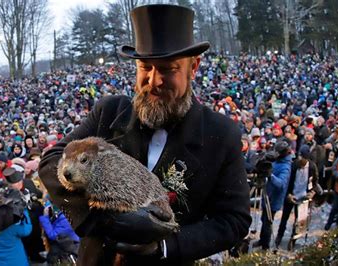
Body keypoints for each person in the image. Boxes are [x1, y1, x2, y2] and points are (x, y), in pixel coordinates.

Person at [38, 4, 251, 264]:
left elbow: (234, 220)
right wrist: (103, 219)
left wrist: (164, 246)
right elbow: (51, 163)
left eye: (168, 69)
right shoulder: (109, 112)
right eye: (145, 67)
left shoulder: (220, 134)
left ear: (193, 67)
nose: (153, 80)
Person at [275, 145, 318, 247]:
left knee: (299, 221)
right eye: (300, 157)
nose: (301, 160)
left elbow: (315, 182)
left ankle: (293, 239)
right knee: (284, 218)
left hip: (303, 196)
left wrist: (311, 192)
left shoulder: (312, 167)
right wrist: (288, 194)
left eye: (303, 158)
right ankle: (279, 236)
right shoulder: (293, 165)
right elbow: (287, 182)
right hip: (291, 195)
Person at [257, 141, 293, 250]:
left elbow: (281, 184)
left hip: (273, 199)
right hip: (267, 193)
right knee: (263, 220)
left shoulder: (286, 167)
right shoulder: (276, 161)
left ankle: (265, 246)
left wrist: (270, 175)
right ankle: (261, 239)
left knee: (268, 222)